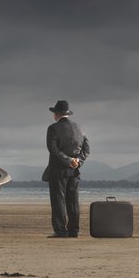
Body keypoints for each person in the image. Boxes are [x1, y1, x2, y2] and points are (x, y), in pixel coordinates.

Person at [44, 100, 90, 238]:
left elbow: (53, 150)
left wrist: (68, 161)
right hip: (75, 170)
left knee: (58, 200)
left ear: (56, 114)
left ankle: (60, 230)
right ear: (67, 114)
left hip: (58, 169)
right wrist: (77, 161)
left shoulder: (53, 128)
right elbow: (87, 149)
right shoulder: (79, 128)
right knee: (73, 201)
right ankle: (74, 230)